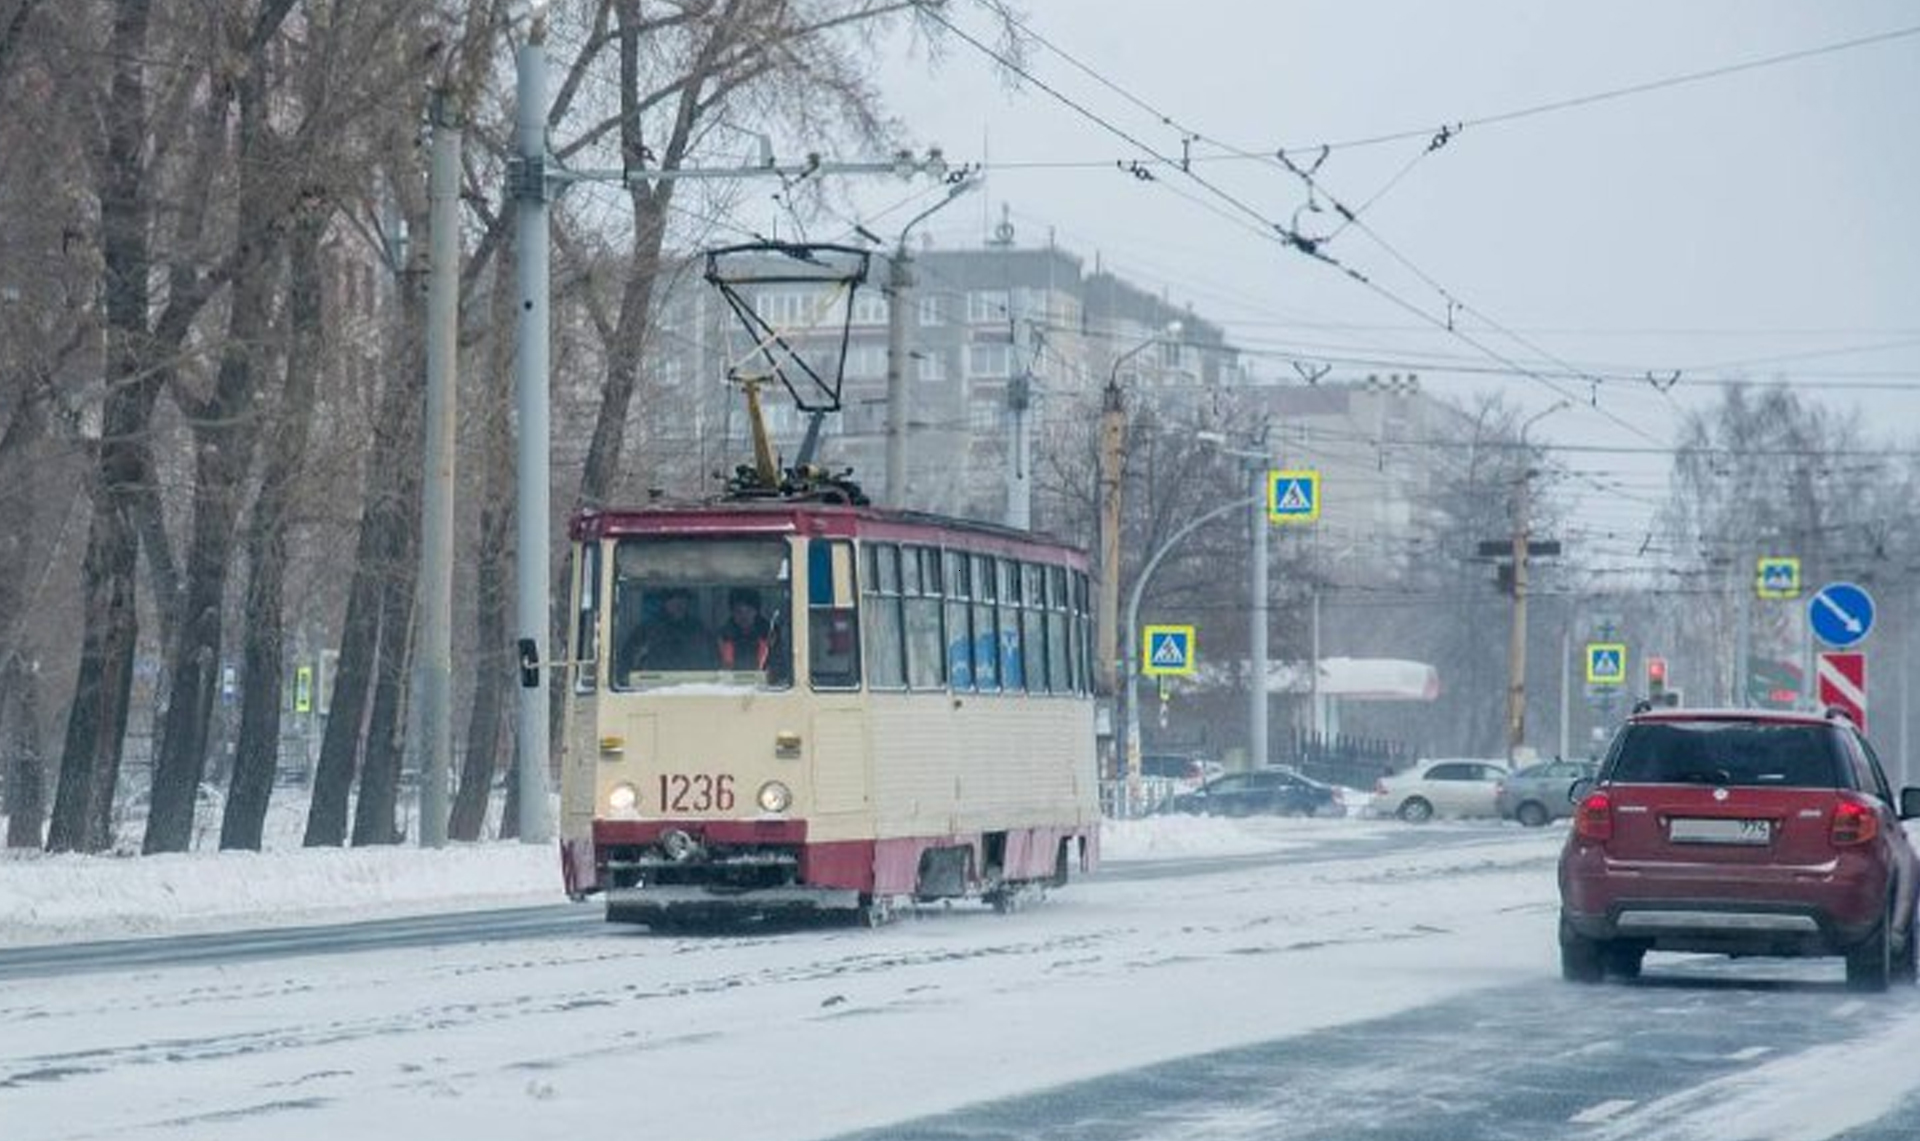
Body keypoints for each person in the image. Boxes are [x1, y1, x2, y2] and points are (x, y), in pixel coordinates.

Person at [625, 587, 712, 671]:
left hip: (693, 683)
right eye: (672, 598)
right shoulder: (647, 630)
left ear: (687, 602)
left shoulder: (699, 630)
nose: (678, 603)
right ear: (664, 602)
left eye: (683, 598)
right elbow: (629, 662)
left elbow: (713, 663)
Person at [716, 587, 774, 673]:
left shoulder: (769, 634)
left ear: (756, 612)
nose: (744, 617)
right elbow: (720, 668)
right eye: (738, 611)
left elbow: (776, 666)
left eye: (749, 611)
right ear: (732, 613)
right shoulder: (724, 636)